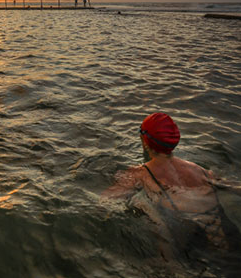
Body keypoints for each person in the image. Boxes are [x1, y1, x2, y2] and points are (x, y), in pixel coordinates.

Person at [103, 112, 241, 263]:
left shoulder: (140, 174)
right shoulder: (200, 171)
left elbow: (104, 202)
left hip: (195, 248)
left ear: (145, 140)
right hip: (231, 238)